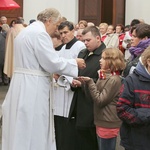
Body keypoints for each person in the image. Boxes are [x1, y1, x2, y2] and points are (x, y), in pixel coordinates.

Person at [2, 8, 86, 150]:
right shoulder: (40, 34)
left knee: (21, 122)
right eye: (57, 24)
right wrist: (74, 63)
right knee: (34, 123)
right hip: (33, 85)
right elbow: (51, 62)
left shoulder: (26, 32)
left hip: (22, 83)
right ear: (48, 21)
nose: (58, 30)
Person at [78, 48, 126, 150]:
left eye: (103, 58)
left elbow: (100, 101)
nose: (100, 60)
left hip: (108, 123)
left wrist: (90, 82)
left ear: (111, 61)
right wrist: (85, 84)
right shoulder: (104, 76)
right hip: (101, 121)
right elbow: (94, 96)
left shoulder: (114, 80)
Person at [69, 26, 106, 150]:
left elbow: (106, 82)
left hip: (93, 106)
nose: (85, 43)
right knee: (79, 139)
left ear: (97, 38)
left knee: (91, 142)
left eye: (88, 40)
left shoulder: (105, 55)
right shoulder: (83, 53)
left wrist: (84, 84)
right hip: (79, 102)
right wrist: (73, 81)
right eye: (84, 40)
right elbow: (76, 72)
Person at [53, 21, 86, 150]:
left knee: (69, 125)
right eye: (61, 33)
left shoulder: (80, 47)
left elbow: (81, 68)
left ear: (73, 31)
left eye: (66, 32)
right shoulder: (61, 48)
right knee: (60, 125)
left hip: (72, 90)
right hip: (59, 91)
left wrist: (62, 75)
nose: (63, 35)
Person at [117, 46, 150, 150]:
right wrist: (147, 115)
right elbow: (122, 110)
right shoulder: (131, 81)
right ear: (149, 61)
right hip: (137, 142)